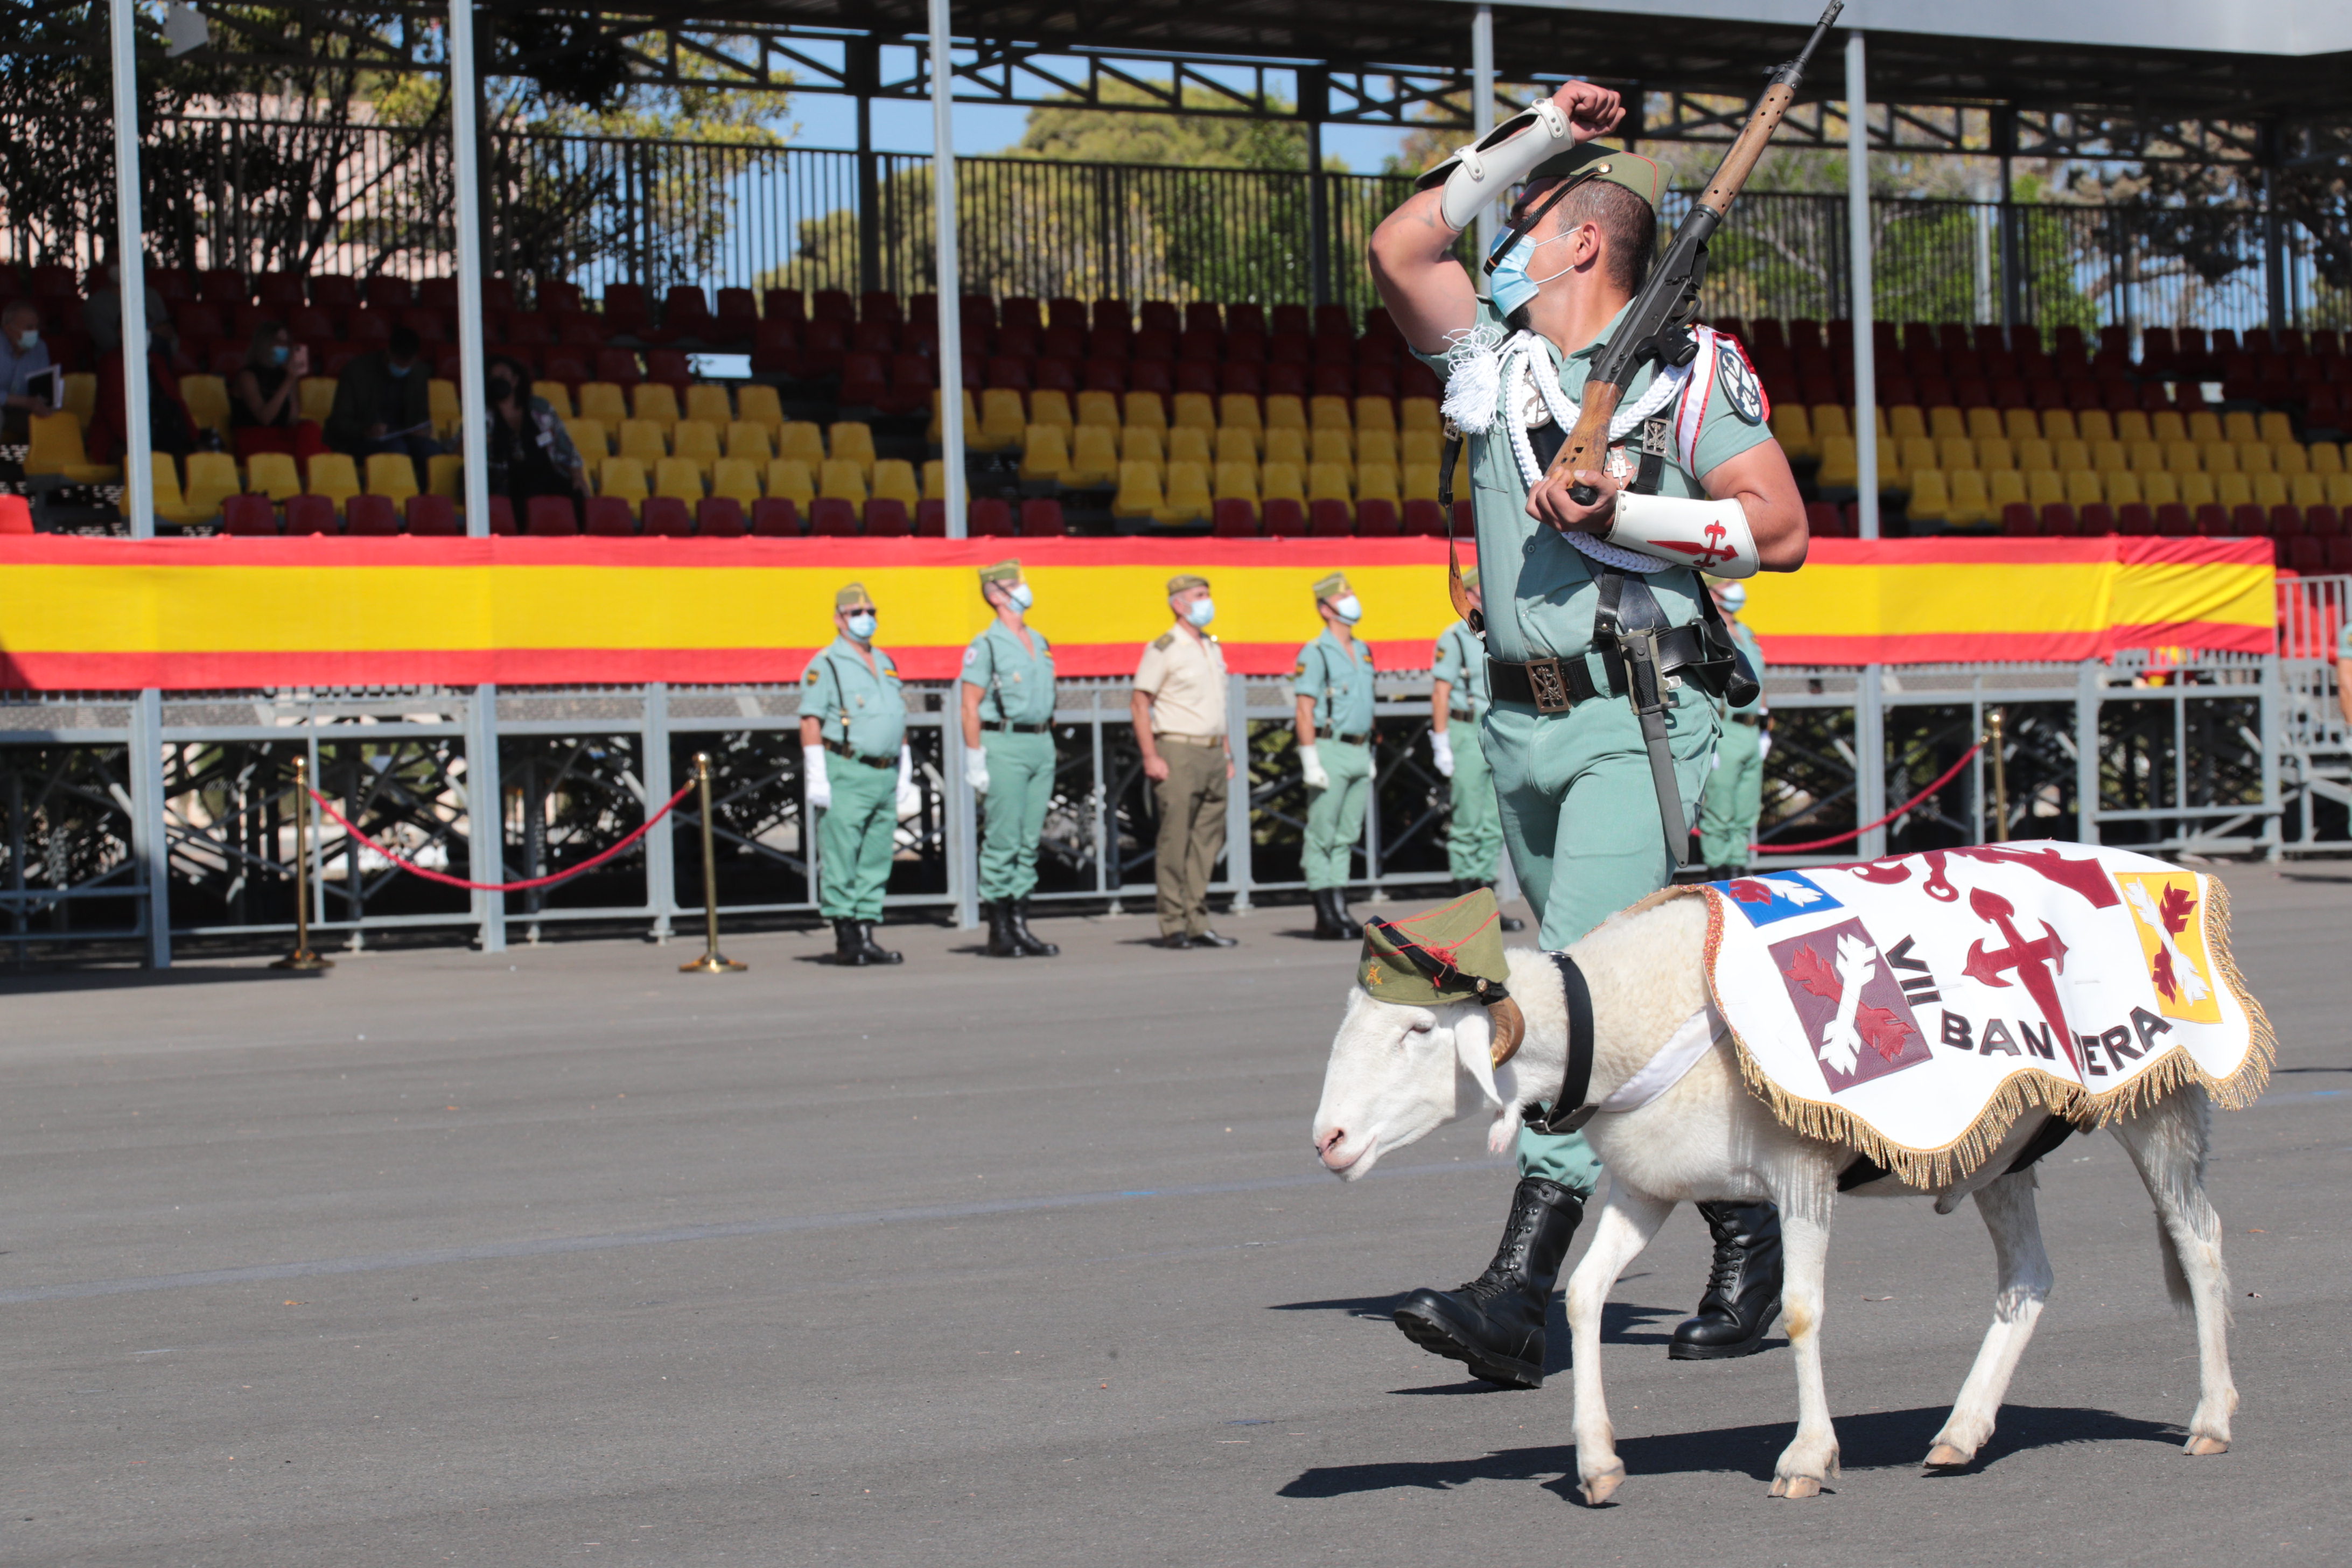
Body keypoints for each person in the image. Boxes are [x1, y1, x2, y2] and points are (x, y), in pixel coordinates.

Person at [1369, 79, 1810, 1384]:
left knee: (1569, 991)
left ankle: (1518, 1296)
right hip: (1522, 728)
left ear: (1579, 244)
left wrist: (1630, 516)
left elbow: (1780, 533)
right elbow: (1404, 248)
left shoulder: (1685, 376)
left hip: (1637, 718)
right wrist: (1549, 134)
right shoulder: (1491, 363)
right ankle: (1751, 1229)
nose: (1505, 231)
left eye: (1535, 212)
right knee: (1644, 1005)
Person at [801, 583, 921, 967]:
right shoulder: (827, 663)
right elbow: (811, 721)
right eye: (856, 613)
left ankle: (867, 932)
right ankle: (846, 936)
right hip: (847, 768)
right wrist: (817, 775)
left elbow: (895, 713)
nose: (865, 619)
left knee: (875, 855)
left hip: (884, 772)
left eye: (870, 611)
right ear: (838, 619)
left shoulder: (885, 661)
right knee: (842, 855)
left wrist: (904, 763)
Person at [961, 559, 1060, 959]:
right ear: (995, 594)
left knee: (1029, 839)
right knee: (1003, 838)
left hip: (1040, 743)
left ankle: (1020, 922)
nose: (1024, 587)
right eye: (1015, 582)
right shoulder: (985, 644)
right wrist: (975, 758)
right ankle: (999, 927)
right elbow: (970, 706)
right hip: (1003, 743)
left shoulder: (1039, 640)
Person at [1131, 574, 1237, 950]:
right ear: (1179, 604)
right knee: (1175, 839)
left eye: (1208, 594)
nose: (1207, 601)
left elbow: (1217, 705)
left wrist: (1226, 750)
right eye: (1199, 596)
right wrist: (1150, 755)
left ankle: (1198, 920)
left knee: (1207, 841)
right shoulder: (1165, 647)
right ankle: (1172, 922)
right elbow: (1140, 702)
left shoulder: (1210, 645)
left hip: (1211, 750)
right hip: (1177, 748)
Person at [1430, 566, 1524, 932]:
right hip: (1466, 728)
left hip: (1496, 728)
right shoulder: (1454, 636)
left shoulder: (1499, 631)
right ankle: (1465, 906)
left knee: (1492, 823)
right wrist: (1441, 742)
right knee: (1468, 818)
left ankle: (1485, 906)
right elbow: (1440, 691)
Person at [1294, 571, 1377, 940]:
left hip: (1359, 748)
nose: (1352, 599)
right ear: (1326, 608)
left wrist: (1369, 751)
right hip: (1330, 748)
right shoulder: (1315, 651)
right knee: (1322, 833)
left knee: (1346, 834)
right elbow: (1304, 709)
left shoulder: (1362, 649)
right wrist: (1310, 758)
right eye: (1345, 595)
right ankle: (1324, 912)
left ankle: (1340, 906)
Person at [1698, 579, 1769, 879]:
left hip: (1752, 729)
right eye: (1728, 583)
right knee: (1720, 808)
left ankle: (1740, 869)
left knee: (1747, 808)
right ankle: (1720, 873)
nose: (1736, 587)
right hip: (1725, 727)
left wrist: (1765, 726)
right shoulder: (1708, 631)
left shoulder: (1747, 633)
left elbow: (1761, 679)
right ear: (1714, 591)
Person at [325, 325, 436, 489]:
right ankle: (394, 502)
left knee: (432, 451)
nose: (403, 367)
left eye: (408, 363)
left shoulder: (419, 372)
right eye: (399, 362)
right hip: (361, 441)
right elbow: (339, 421)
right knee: (397, 449)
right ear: (389, 352)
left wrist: (424, 429)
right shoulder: (356, 372)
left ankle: (432, 502)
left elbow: (422, 416)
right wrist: (365, 430)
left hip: (405, 437)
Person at [485, 354, 589, 517]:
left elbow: (565, 446)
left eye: (503, 376)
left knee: (576, 498)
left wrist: (578, 477)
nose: (497, 381)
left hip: (544, 476)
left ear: (515, 380)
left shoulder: (540, 408)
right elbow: (458, 448)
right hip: (507, 482)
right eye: (493, 378)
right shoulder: (483, 414)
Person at [230, 322, 308, 435]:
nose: (284, 347)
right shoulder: (247, 376)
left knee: (309, 428)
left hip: (280, 435)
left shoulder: (286, 375)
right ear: (264, 344)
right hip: (253, 436)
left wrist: (292, 380)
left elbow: (293, 419)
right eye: (278, 342)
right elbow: (265, 419)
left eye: (287, 343)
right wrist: (289, 381)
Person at [1, 300, 54, 439]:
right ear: (8, 329)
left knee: (52, 420)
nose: (34, 332)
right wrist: (24, 401)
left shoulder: (40, 348)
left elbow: (43, 387)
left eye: (37, 327)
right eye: (29, 328)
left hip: (22, 412)